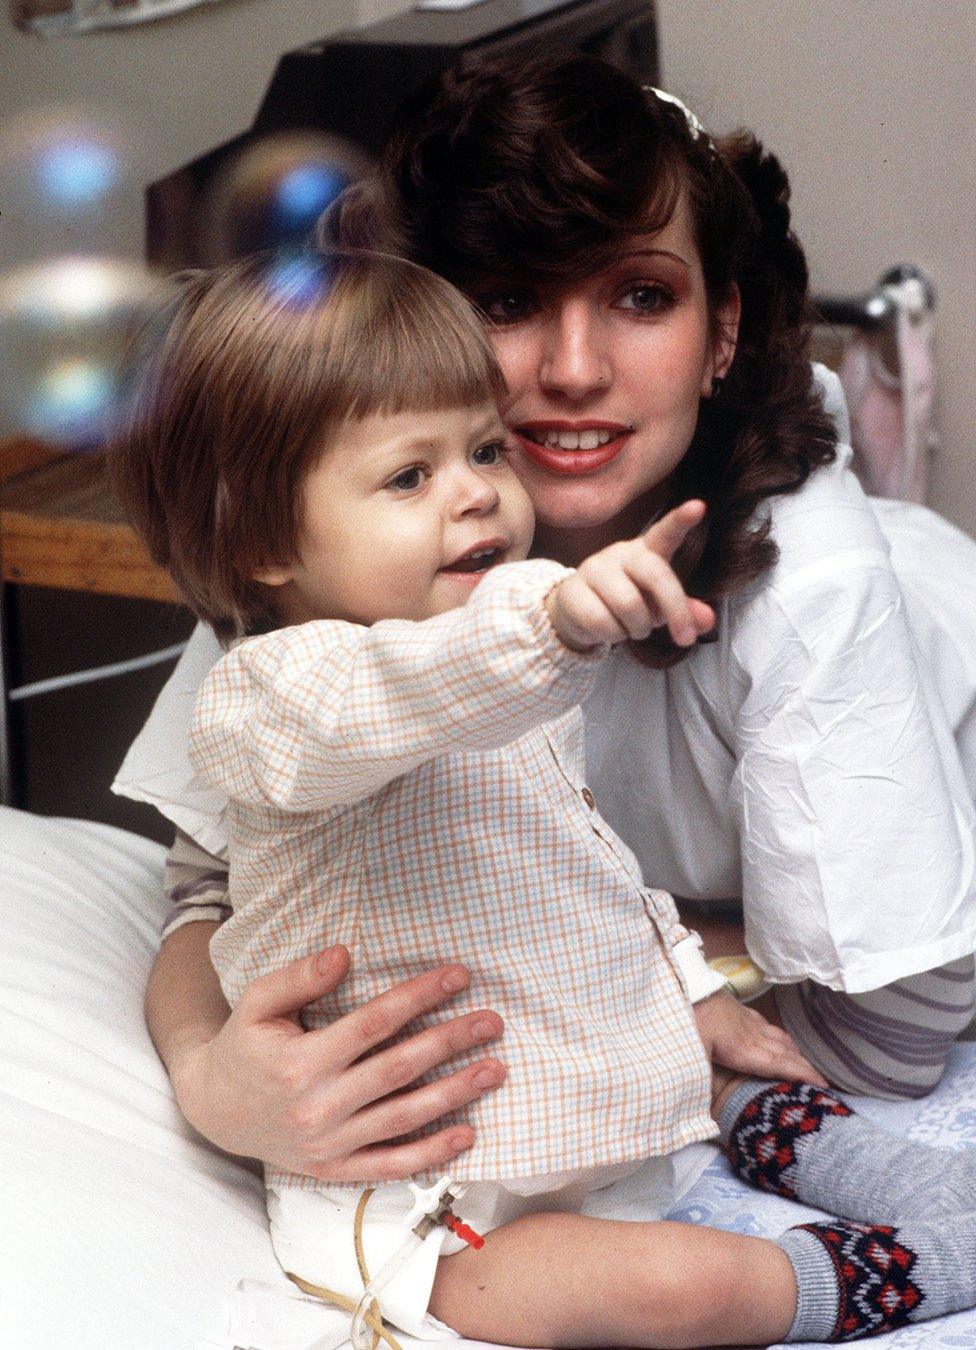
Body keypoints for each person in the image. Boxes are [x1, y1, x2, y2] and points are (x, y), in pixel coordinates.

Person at [113, 54, 976, 1182]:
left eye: (641, 297)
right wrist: (211, 1075)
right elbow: (216, 877)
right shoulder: (359, 537)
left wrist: (621, 1018)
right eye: (510, 301)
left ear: (721, 329)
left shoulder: (812, 586)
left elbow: (902, 1020)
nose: (573, 370)